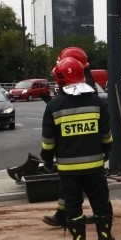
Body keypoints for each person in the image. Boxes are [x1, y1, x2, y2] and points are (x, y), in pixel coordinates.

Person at [41, 56, 115, 240]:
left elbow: (48, 142)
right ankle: (105, 238)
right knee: (100, 202)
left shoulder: (53, 106)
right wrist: (105, 153)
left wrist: (47, 161)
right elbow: (106, 136)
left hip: (68, 169)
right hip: (94, 167)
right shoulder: (96, 102)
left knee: (73, 205)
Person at [42, 46, 98, 227]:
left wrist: (53, 105)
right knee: (85, 186)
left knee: (80, 186)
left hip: (77, 144)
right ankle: (65, 213)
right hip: (85, 144)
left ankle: (70, 217)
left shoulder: (84, 83)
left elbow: (70, 108)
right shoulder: (85, 80)